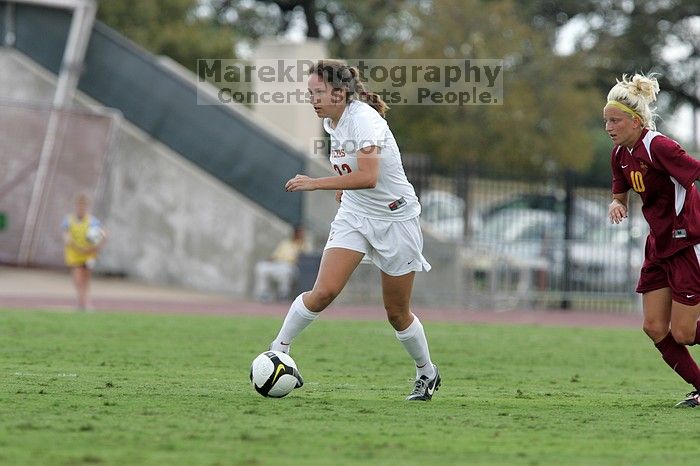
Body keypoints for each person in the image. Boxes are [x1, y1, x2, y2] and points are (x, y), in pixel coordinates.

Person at [267, 59, 440, 401]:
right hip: (355, 216)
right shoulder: (334, 121)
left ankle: (427, 373)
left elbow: (369, 176)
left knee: (396, 313)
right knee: (324, 292)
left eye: (318, 93)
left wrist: (316, 183)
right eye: (309, 93)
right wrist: (343, 186)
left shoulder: (364, 119)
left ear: (339, 92)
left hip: (396, 220)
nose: (312, 100)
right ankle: (278, 352)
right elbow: (356, 174)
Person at [605, 73, 700, 407]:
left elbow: (695, 171)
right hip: (658, 246)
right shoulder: (620, 154)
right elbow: (620, 192)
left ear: (634, 121)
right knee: (655, 326)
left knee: (685, 333)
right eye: (606, 121)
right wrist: (617, 204)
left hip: (686, 244)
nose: (608, 127)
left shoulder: (658, 145)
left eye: (614, 120)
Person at [62, 193, 107, 311]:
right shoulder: (68, 220)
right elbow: (66, 236)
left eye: (83, 206)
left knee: (85, 279)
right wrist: (72, 243)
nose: (81, 208)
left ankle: (84, 302)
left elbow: (104, 235)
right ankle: (82, 302)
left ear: (87, 207)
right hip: (75, 255)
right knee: (77, 278)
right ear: (75, 206)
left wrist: (95, 248)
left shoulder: (93, 222)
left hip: (89, 255)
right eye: (79, 205)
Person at [254, 227, 306, 302]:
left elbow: (305, 258)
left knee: (286, 271)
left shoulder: (303, 245)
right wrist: (269, 260)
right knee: (261, 267)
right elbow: (274, 256)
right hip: (277, 263)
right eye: (299, 233)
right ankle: (263, 293)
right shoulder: (285, 243)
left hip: (290, 266)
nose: (301, 235)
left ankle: (283, 294)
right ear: (295, 233)